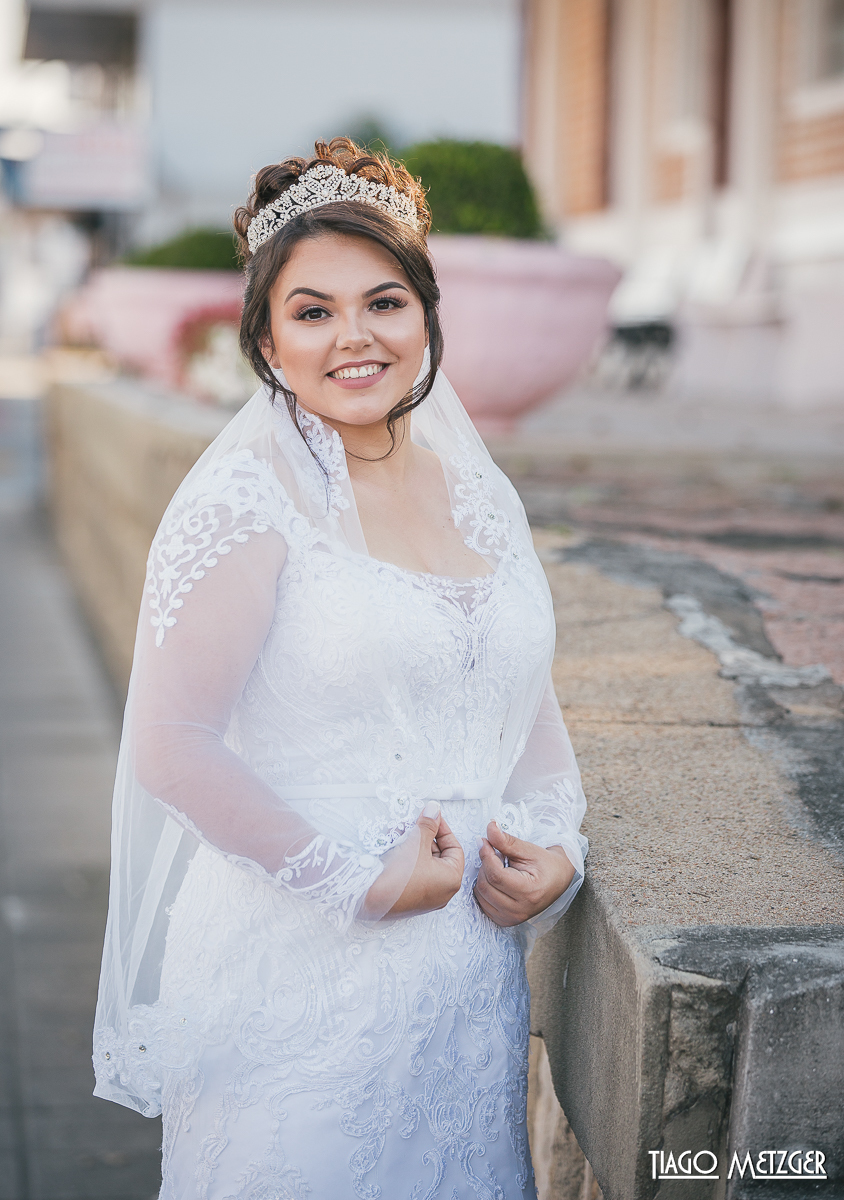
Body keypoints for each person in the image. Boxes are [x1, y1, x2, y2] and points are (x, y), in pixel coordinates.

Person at [93, 137, 588, 1199]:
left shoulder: (478, 497)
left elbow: (517, 699)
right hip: (300, 979)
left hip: (461, 992)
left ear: (426, 316)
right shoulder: (246, 503)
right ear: (266, 341)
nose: (354, 338)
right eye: (312, 312)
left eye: (385, 302)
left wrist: (557, 857)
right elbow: (169, 746)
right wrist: (356, 882)